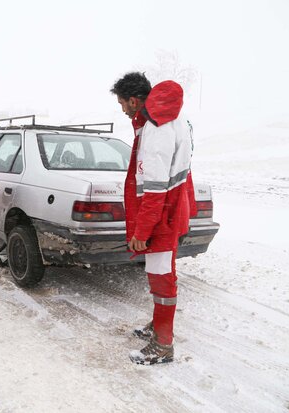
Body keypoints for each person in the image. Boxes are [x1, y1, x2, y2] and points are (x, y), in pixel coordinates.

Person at [110, 72, 197, 365]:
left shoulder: (156, 129)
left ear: (134, 100)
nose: (123, 110)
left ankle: (163, 343)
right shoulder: (172, 119)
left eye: (123, 104)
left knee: (161, 279)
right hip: (172, 212)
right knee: (162, 274)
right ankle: (158, 326)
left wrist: (142, 231)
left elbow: (155, 188)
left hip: (161, 218)